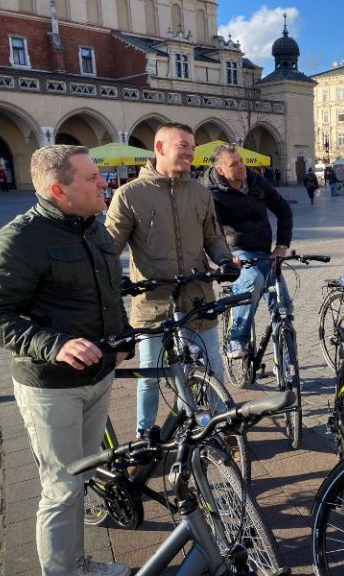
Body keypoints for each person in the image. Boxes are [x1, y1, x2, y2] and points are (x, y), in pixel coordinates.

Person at [0, 145, 131, 576]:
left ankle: (77, 563)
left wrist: (123, 333)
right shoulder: (21, 238)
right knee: (62, 488)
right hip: (51, 387)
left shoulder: (93, 227)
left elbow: (108, 288)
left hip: (98, 377)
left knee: (81, 480)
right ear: (59, 189)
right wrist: (54, 344)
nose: (104, 182)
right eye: (92, 178)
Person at [105, 123, 233, 437]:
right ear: (160, 147)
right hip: (152, 304)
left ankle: (219, 428)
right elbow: (108, 248)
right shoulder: (129, 195)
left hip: (198, 300)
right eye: (183, 145)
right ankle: (143, 435)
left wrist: (226, 259)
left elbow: (213, 238)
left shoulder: (201, 193)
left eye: (192, 146)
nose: (190, 152)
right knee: (149, 376)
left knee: (212, 369)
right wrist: (114, 279)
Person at [204, 143, 293, 359]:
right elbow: (212, 230)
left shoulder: (256, 182)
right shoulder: (212, 193)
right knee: (252, 280)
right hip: (238, 251)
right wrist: (226, 256)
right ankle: (237, 339)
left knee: (284, 308)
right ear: (220, 170)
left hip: (265, 251)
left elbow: (284, 210)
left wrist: (281, 245)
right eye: (234, 164)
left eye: (241, 161)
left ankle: (287, 366)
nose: (241, 167)